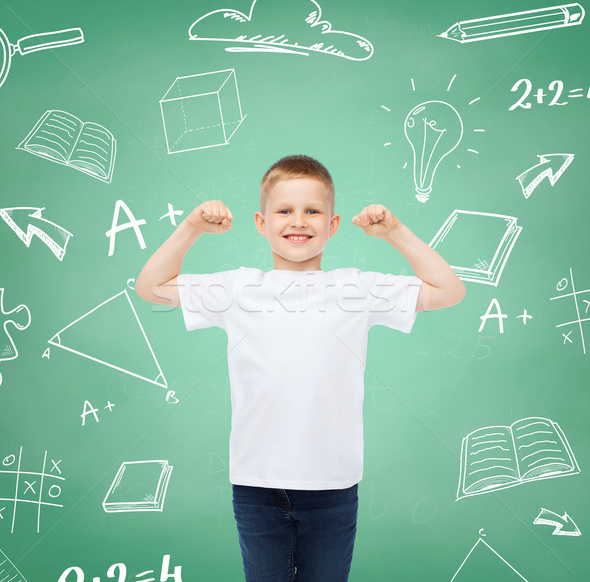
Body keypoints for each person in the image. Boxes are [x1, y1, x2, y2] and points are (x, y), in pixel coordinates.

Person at [135, 154, 465, 581]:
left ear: (332, 224)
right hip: (256, 484)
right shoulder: (237, 288)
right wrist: (191, 228)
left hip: (333, 485)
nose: (299, 221)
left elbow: (449, 290)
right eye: (285, 210)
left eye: (313, 211)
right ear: (261, 222)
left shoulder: (355, 287)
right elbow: (151, 287)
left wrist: (395, 232)